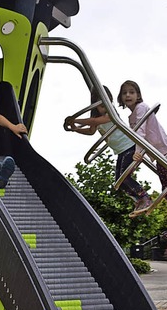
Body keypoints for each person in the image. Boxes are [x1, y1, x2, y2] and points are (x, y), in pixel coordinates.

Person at [64, 86, 153, 217]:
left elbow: (94, 121)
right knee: (119, 181)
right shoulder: (96, 116)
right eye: (100, 106)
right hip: (120, 151)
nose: (103, 108)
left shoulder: (111, 113)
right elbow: (90, 130)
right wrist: (75, 128)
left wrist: (74, 119)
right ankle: (139, 199)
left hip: (129, 146)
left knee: (124, 176)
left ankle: (144, 197)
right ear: (95, 105)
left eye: (105, 104)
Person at [118, 80, 167, 238]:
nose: (128, 95)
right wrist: (140, 154)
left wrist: (138, 153)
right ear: (120, 98)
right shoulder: (132, 117)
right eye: (124, 93)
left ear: (138, 95)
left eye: (131, 92)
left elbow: (141, 133)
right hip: (159, 155)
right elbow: (140, 136)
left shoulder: (142, 107)